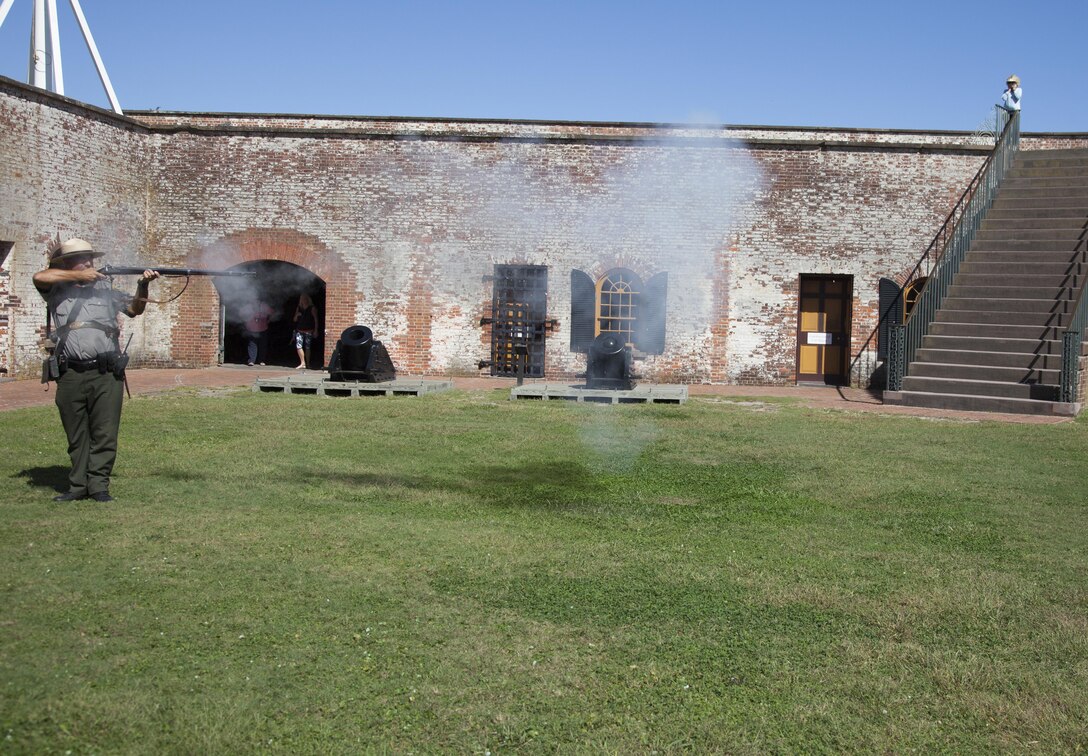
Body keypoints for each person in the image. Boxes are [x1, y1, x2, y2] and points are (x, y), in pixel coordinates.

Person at [33, 237, 160, 502]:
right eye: (81, 259)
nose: (89, 262)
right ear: (68, 264)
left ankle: (99, 486)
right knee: (76, 433)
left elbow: (135, 309)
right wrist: (76, 275)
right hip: (70, 374)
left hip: (106, 373)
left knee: (104, 432)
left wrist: (143, 285)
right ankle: (78, 485)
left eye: (90, 258)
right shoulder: (56, 289)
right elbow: (39, 276)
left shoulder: (106, 290)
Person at [241, 296, 273, 366]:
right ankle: (251, 360)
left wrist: (268, 321)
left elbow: (271, 313)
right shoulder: (248, 306)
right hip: (251, 328)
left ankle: (261, 360)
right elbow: (242, 314)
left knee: (262, 345)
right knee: (252, 345)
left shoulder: (264, 305)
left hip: (263, 328)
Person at [291, 292, 318, 369]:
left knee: (307, 347)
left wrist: (316, 330)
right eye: (302, 299)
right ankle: (302, 362)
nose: (303, 300)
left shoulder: (312, 308)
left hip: (309, 330)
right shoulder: (299, 308)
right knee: (298, 346)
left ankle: (308, 363)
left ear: (308, 299)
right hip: (299, 330)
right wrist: (297, 315)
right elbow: (294, 319)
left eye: (305, 299)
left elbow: (316, 319)